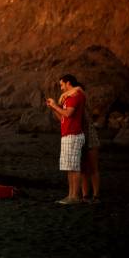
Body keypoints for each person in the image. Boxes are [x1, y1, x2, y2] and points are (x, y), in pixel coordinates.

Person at [46, 73, 86, 205]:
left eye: (62, 85)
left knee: (74, 167)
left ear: (68, 83)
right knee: (69, 167)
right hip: (67, 134)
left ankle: (75, 196)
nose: (61, 88)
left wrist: (56, 106)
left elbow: (69, 113)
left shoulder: (75, 96)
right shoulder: (68, 98)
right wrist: (53, 107)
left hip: (73, 134)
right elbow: (62, 118)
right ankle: (70, 195)